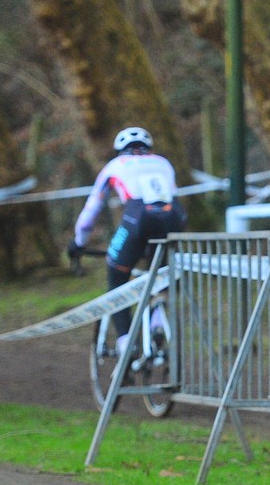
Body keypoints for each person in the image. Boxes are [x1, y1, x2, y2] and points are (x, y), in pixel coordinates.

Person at [67, 127, 187, 358]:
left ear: (119, 150)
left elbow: (91, 212)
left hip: (138, 218)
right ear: (148, 147)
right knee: (161, 273)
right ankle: (157, 321)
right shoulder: (163, 162)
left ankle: (126, 342)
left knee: (117, 275)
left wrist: (79, 242)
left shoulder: (115, 166)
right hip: (175, 217)